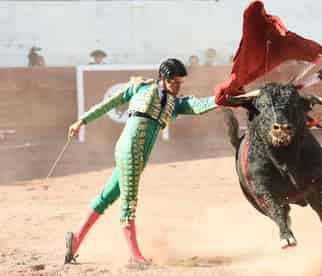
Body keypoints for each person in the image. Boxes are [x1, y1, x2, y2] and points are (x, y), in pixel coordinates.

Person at [65, 58, 218, 269]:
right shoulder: (140, 87)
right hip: (129, 150)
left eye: (180, 82)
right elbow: (108, 104)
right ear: (163, 78)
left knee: (106, 198)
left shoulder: (175, 103)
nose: (178, 86)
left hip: (138, 156)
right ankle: (135, 257)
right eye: (175, 81)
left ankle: (75, 239)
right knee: (129, 204)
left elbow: (200, 106)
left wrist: (224, 98)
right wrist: (82, 120)